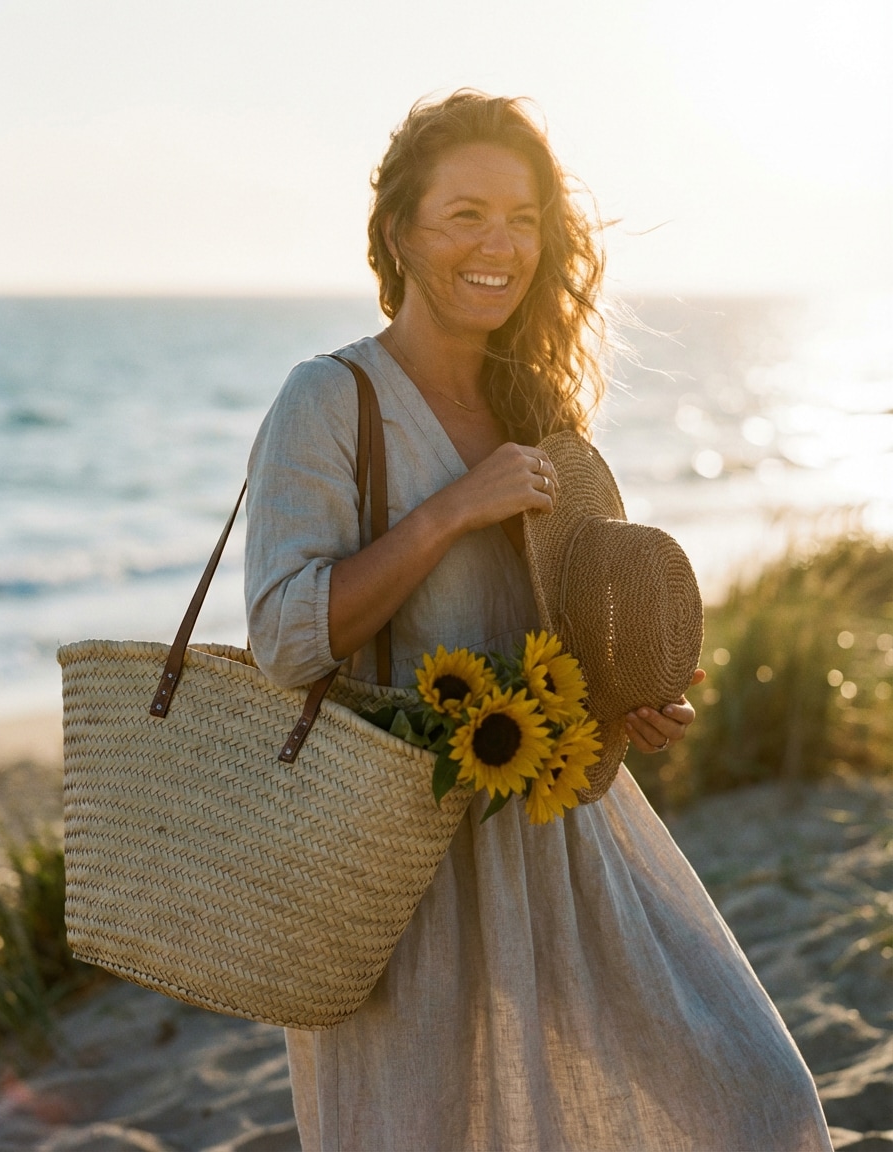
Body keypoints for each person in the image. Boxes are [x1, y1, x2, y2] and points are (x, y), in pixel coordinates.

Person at [245, 91, 832, 1152]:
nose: (499, 245)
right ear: (399, 233)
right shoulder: (328, 400)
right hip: (390, 846)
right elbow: (285, 637)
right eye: (465, 213)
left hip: (560, 826)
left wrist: (627, 698)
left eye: (522, 217)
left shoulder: (543, 413)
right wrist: (448, 514)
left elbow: (565, 627)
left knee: (754, 1096)